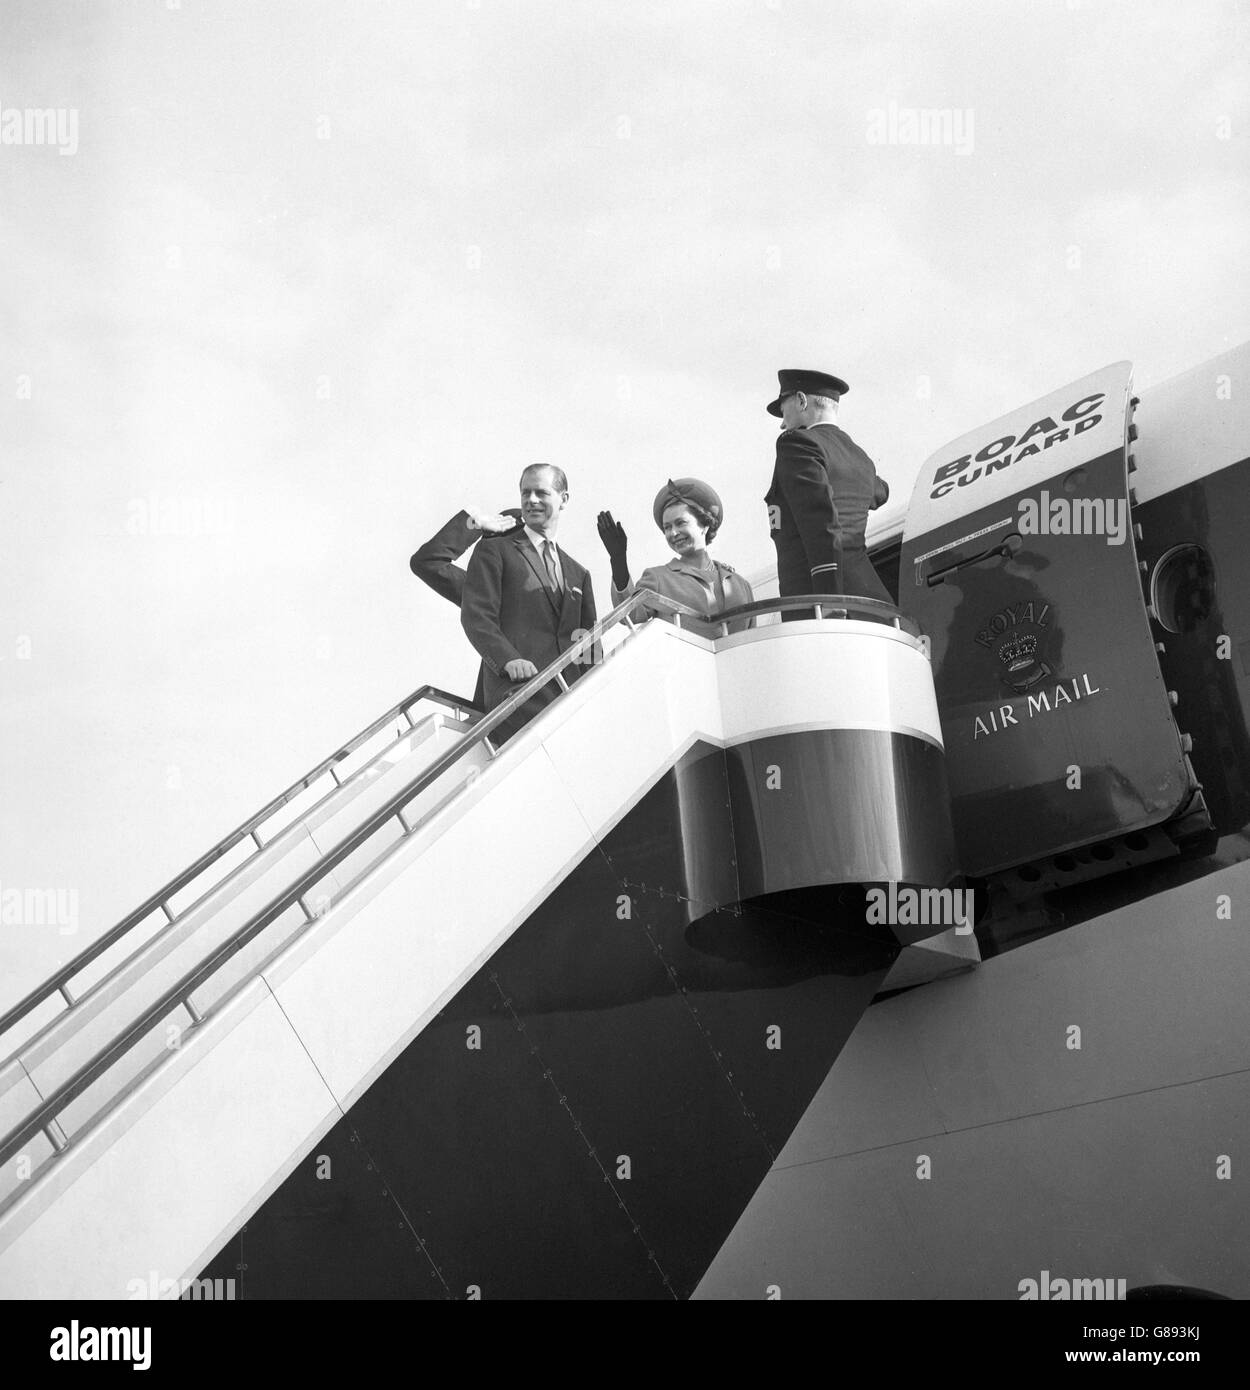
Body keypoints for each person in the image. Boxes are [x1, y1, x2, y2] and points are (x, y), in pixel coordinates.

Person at [460, 464, 597, 740]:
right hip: (518, 696)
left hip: (568, 703)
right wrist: (507, 660)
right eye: (526, 493)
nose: (531, 500)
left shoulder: (578, 573)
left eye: (541, 493)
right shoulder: (495, 549)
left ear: (563, 499)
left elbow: (589, 644)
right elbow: (477, 616)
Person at [764, 368, 892, 616]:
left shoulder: (796, 443)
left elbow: (820, 522)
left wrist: (829, 598)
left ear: (801, 400)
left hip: (819, 601)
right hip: (868, 599)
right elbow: (880, 492)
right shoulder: (861, 458)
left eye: (783, 411)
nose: (782, 423)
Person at [597, 478, 754, 631]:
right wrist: (618, 559)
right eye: (667, 527)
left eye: (680, 523)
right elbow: (630, 614)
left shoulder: (741, 585)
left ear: (704, 525)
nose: (673, 533)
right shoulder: (659, 578)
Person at [409, 506, 523, 708]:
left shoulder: (564, 587)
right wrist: (474, 523)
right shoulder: (486, 593)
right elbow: (427, 562)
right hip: (503, 714)